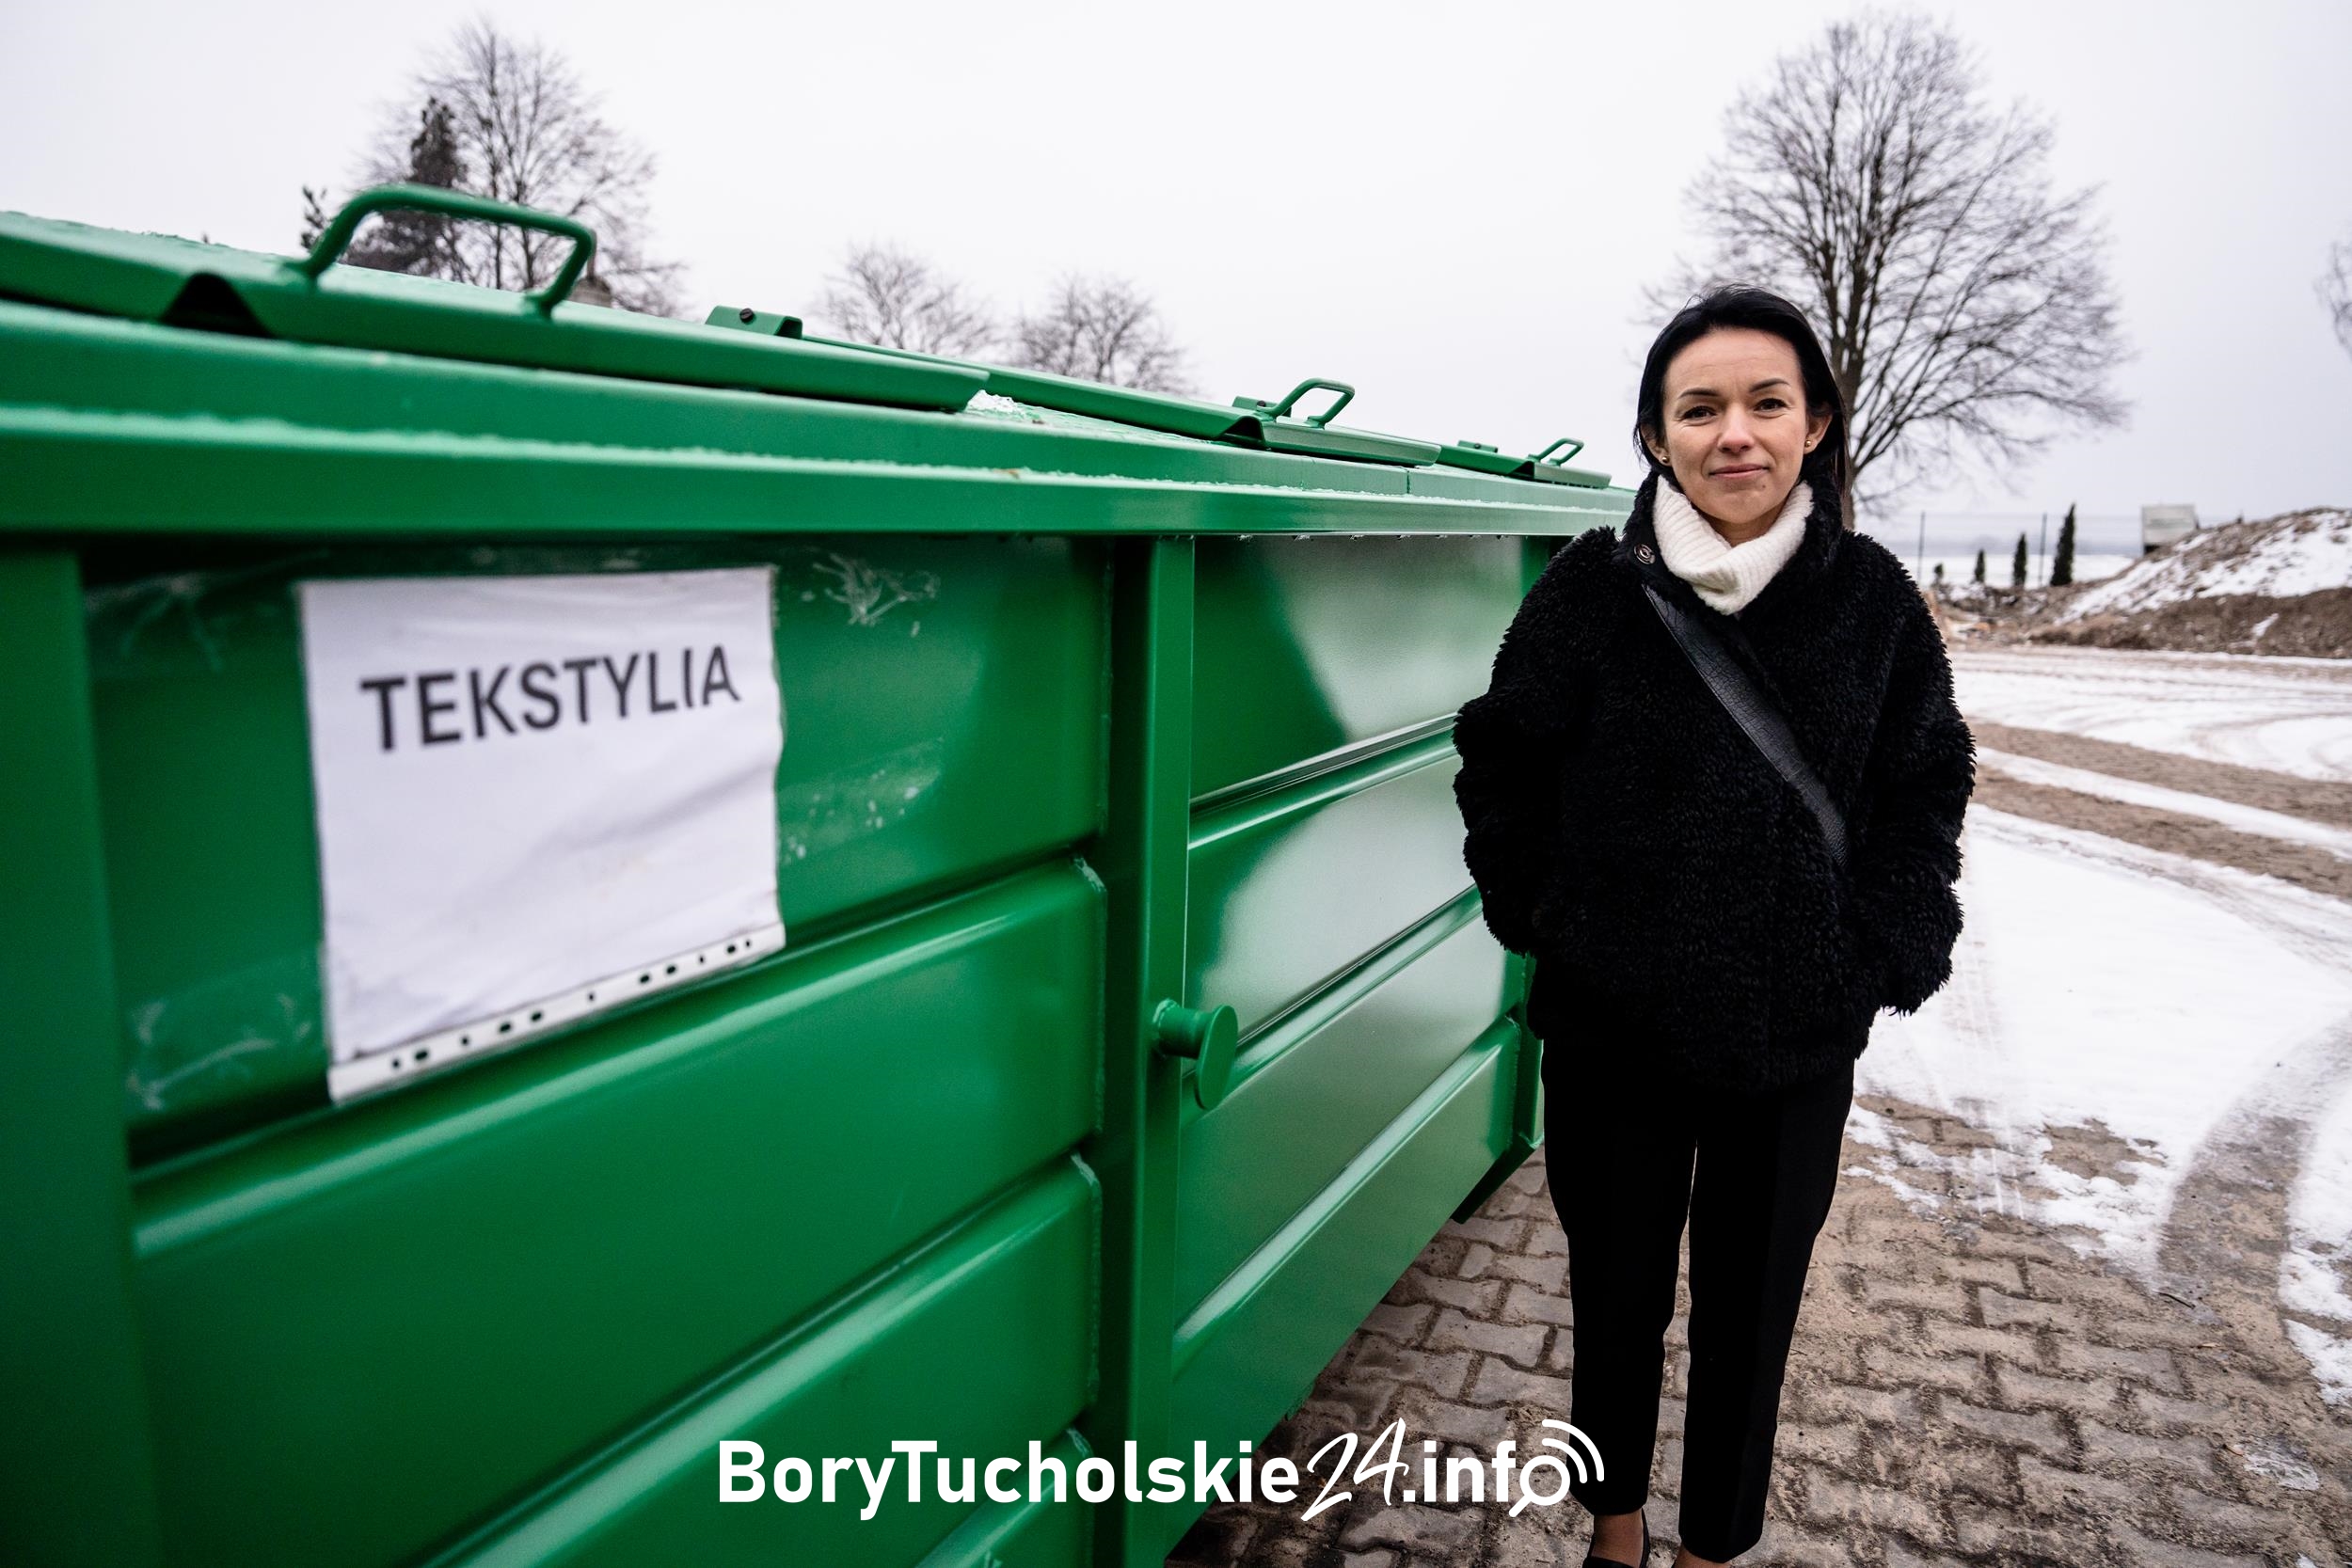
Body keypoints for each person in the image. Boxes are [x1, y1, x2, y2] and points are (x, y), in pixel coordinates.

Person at [1451, 285, 1976, 1566]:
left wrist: (1885, 942)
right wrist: (1546, 914)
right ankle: (1616, 1531)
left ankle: (1711, 1550)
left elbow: (1927, 780)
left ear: (1816, 424)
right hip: (1612, 1032)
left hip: (1793, 1037)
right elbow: (1501, 757)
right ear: (1656, 436)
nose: (1733, 433)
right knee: (1614, 1297)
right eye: (1698, 409)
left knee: (1752, 1315)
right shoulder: (1590, 591)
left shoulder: (1875, 602)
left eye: (1765, 403)